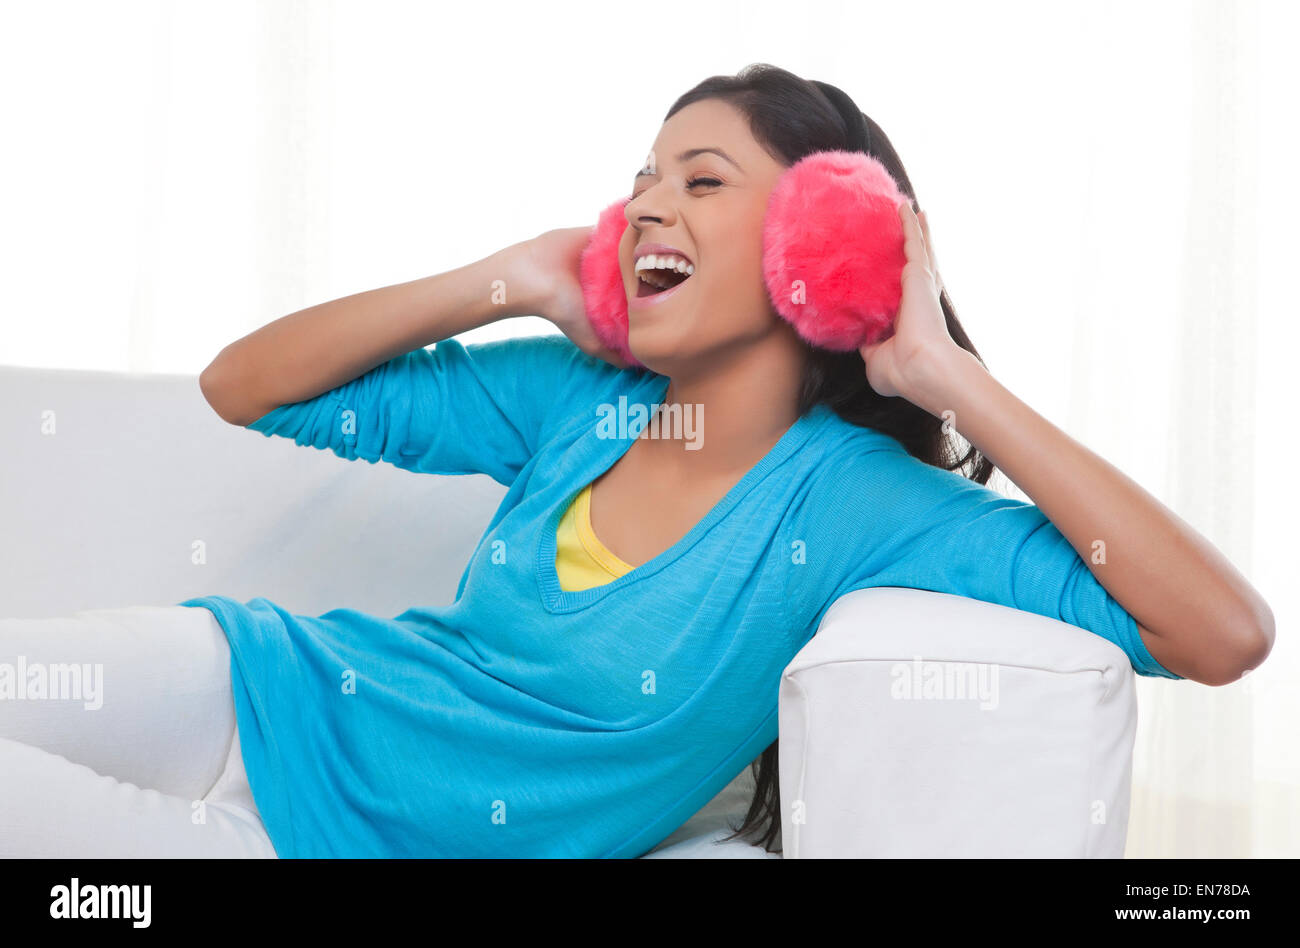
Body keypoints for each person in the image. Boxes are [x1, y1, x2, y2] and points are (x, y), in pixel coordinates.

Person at [0, 63, 1273, 858]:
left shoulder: (855, 501)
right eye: (642, 179)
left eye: (702, 180)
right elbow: (245, 385)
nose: (649, 204)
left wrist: (942, 369)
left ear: (818, 247)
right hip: (255, 684)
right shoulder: (575, 400)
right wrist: (505, 278)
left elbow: (1220, 631)